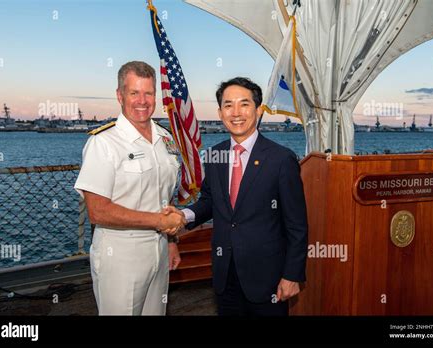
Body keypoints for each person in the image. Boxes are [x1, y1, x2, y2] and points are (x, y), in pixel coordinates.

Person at [165, 77, 308, 316]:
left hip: (268, 279)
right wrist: (184, 214)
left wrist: (292, 275)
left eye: (244, 104)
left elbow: (297, 225)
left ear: (259, 110)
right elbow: (210, 201)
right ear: (220, 113)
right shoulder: (214, 155)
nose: (236, 112)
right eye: (228, 105)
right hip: (224, 275)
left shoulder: (281, 159)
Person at [74, 61, 185, 315]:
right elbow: (98, 212)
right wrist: (159, 221)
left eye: (148, 93)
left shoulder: (165, 139)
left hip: (158, 250)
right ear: (120, 95)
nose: (142, 101)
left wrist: (171, 241)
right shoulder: (104, 143)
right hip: (120, 254)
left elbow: (162, 197)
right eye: (134, 93)